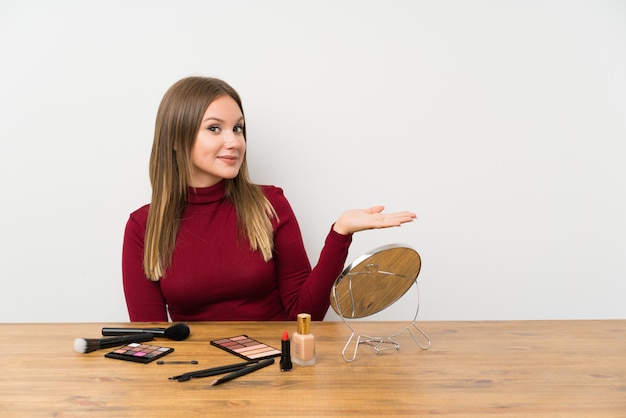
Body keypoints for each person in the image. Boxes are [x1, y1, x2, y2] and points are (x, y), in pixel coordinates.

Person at [122, 76, 416, 322]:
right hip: (198, 375)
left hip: (276, 365)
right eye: (215, 128)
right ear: (175, 138)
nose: (234, 141)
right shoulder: (143, 226)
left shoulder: (270, 204)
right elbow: (152, 337)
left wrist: (340, 233)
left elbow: (305, 314)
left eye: (238, 128)